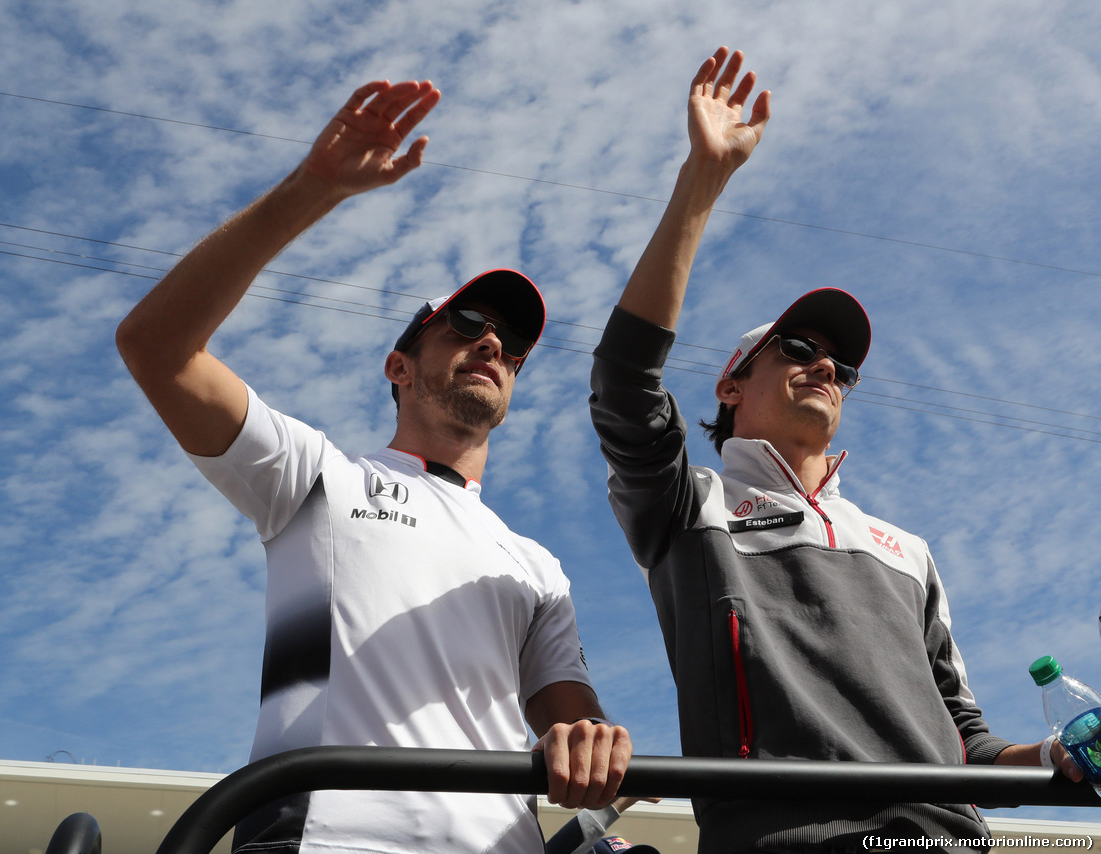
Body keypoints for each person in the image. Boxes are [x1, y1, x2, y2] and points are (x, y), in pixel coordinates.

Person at [116, 79, 631, 854]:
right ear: (399, 364)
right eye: (466, 324)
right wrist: (311, 190)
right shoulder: (318, 477)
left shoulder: (536, 565)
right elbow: (157, 346)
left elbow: (573, 723)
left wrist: (594, 748)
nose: (492, 345)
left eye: (512, 345)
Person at [587, 47, 1082, 852]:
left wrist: (1060, 757)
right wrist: (702, 182)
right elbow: (622, 381)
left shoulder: (907, 552)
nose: (827, 366)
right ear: (731, 384)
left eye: (842, 364)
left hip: (951, 841)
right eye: (797, 346)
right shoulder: (689, 506)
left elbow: (967, 743)